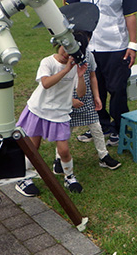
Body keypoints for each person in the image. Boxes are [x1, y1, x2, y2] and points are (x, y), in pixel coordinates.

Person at [66, 0, 137, 147]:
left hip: (115, 47)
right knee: (91, 90)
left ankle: (119, 128)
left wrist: (132, 45)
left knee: (117, 89)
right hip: (89, 46)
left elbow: (130, 15)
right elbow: (71, 11)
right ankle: (100, 125)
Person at [15, 39, 88, 197]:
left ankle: (69, 177)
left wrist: (80, 76)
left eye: (70, 52)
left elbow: (81, 93)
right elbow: (46, 83)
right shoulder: (47, 62)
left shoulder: (74, 67)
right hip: (39, 110)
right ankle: (24, 177)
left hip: (60, 113)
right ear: (59, 44)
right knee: (33, 147)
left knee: (64, 150)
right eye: (64, 48)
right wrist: (66, 69)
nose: (65, 53)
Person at [66, 31, 122, 170]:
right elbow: (58, 84)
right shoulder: (64, 59)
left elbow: (92, 77)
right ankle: (59, 159)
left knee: (97, 129)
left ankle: (103, 156)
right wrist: (70, 99)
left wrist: (96, 96)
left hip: (86, 99)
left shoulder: (89, 55)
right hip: (68, 102)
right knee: (65, 132)